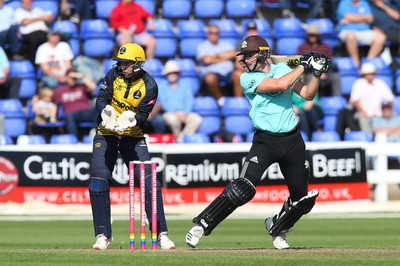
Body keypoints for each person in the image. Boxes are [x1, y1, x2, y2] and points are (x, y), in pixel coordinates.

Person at [185, 35, 330, 249]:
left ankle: (278, 229)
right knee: (242, 189)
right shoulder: (247, 79)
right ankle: (201, 225)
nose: (245, 60)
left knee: (302, 201)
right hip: (265, 141)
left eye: (249, 55)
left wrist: (316, 73)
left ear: (263, 54)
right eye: (244, 56)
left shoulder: (282, 70)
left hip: (292, 140)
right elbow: (281, 85)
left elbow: (308, 94)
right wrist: (303, 65)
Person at [89, 42, 175, 250]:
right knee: (98, 181)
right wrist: (105, 112)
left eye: (125, 64)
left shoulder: (150, 84)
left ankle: (161, 233)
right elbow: (101, 99)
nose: (121, 67)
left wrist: (133, 119)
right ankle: (103, 234)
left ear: (137, 64)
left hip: (133, 136)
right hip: (106, 133)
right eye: (119, 63)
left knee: (149, 183)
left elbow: (144, 116)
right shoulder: (112, 75)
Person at [157, 60, 202, 143]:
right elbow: (163, 102)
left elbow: (190, 100)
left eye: (174, 72)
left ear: (178, 73)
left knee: (196, 119)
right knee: (172, 120)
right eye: (170, 73)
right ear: (166, 75)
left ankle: (181, 138)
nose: (172, 75)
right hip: (170, 112)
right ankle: (178, 137)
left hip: (185, 112)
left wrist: (185, 112)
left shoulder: (185, 84)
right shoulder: (161, 86)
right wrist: (175, 112)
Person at [336, 0, 386, 68]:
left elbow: (370, 19)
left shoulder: (364, 3)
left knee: (381, 37)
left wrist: (352, 19)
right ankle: (356, 64)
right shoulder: (344, 2)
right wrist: (364, 18)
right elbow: (349, 16)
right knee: (350, 36)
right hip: (347, 30)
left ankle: (367, 63)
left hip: (364, 31)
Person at [196, 24, 236, 107]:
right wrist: (223, 57)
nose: (214, 35)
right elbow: (206, 60)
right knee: (210, 78)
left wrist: (214, 57)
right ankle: (220, 100)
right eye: (211, 33)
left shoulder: (226, 44)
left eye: (216, 33)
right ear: (207, 34)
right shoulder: (202, 46)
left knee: (239, 75)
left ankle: (237, 102)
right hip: (212, 73)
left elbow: (234, 54)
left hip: (228, 73)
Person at [349, 62, 394, 134]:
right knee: (362, 119)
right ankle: (368, 137)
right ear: (363, 74)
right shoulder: (358, 83)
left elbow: (390, 99)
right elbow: (355, 100)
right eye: (367, 73)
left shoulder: (380, 83)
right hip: (364, 114)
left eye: (371, 73)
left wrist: (386, 111)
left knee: (393, 118)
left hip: (379, 114)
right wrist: (362, 111)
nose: (369, 75)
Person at [52, 68, 97, 137]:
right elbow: (54, 104)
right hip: (71, 114)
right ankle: (74, 140)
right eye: (71, 78)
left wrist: (80, 76)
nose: (73, 80)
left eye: (74, 78)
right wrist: (53, 117)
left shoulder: (81, 87)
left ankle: (96, 133)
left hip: (85, 112)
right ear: (66, 78)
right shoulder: (59, 91)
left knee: (100, 109)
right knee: (70, 116)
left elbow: (93, 87)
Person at [297, 24, 340, 97]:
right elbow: (301, 63)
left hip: (325, 72)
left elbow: (330, 61)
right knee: (310, 78)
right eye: (310, 35)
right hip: (309, 72)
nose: (312, 37)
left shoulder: (325, 46)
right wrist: (317, 72)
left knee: (336, 77)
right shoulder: (302, 47)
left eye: (314, 35)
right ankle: (311, 99)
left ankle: (337, 99)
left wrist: (323, 71)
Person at [15, 0, 54, 64]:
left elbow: (49, 18)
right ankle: (36, 64)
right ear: (21, 3)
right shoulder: (19, 11)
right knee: (35, 39)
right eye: (25, 3)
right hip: (29, 34)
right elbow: (24, 22)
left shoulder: (37, 10)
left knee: (59, 38)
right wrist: (41, 18)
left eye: (29, 2)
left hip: (44, 32)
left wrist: (49, 18)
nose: (27, 4)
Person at [231, 21, 259, 98]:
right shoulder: (242, 44)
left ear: (257, 31)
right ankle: (239, 101)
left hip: (260, 70)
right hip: (246, 70)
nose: (251, 32)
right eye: (249, 30)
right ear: (246, 32)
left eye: (253, 30)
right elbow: (237, 63)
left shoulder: (263, 44)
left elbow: (268, 61)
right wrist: (250, 70)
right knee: (237, 74)